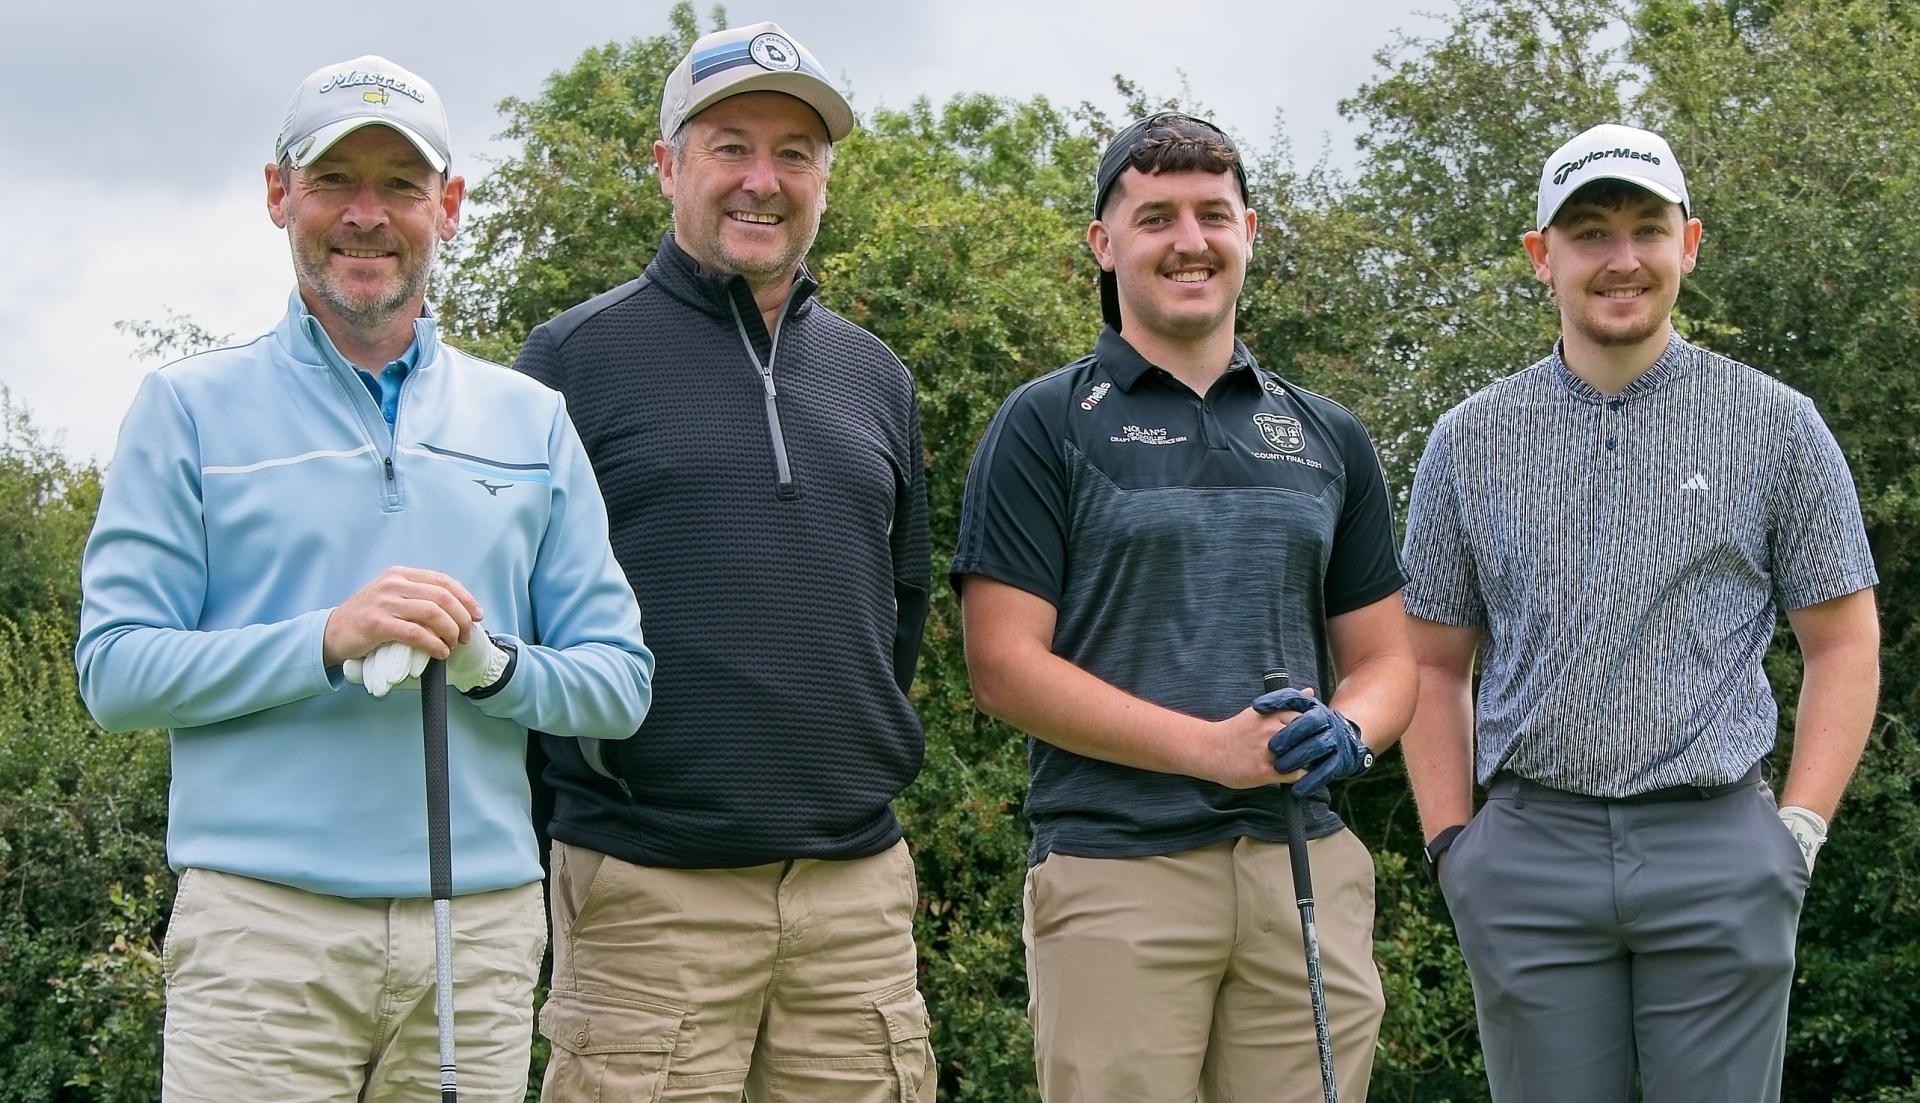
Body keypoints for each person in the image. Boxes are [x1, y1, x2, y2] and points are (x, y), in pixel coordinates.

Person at [73, 55, 653, 1102]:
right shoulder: (188, 408)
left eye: (400, 184)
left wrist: (490, 666)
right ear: (278, 193)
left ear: (449, 206)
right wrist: (325, 639)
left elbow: (620, 683)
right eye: (334, 180)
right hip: (262, 931)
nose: (366, 215)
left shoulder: (531, 421)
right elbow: (116, 672)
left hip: (476, 934)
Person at [1399, 122, 1881, 1103]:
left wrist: (1795, 832)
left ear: (1688, 244)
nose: (1622, 258)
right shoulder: (1468, 439)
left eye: (1647, 229)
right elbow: (1433, 662)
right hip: (1529, 854)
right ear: (1542, 256)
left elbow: (1843, 643)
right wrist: (1454, 847)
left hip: (1719, 849)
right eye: (1589, 233)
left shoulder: (1777, 425)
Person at [951, 112, 1416, 1102]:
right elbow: (1002, 664)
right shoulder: (1045, 421)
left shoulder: (1327, 434)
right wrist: (1211, 749)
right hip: (1117, 868)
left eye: (1212, 213)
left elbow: (1387, 660)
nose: (1189, 240)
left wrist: (1354, 729)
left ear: (1249, 231)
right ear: (1104, 242)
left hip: (1303, 863)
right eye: (1155, 216)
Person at [511, 21, 934, 1102]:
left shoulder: (877, 375)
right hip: (646, 892)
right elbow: (518, 630)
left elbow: (901, 608)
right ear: (668, 166)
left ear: (824, 179)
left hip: (855, 900)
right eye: (730, 146)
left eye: (794, 153)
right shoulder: (569, 360)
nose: (763, 179)